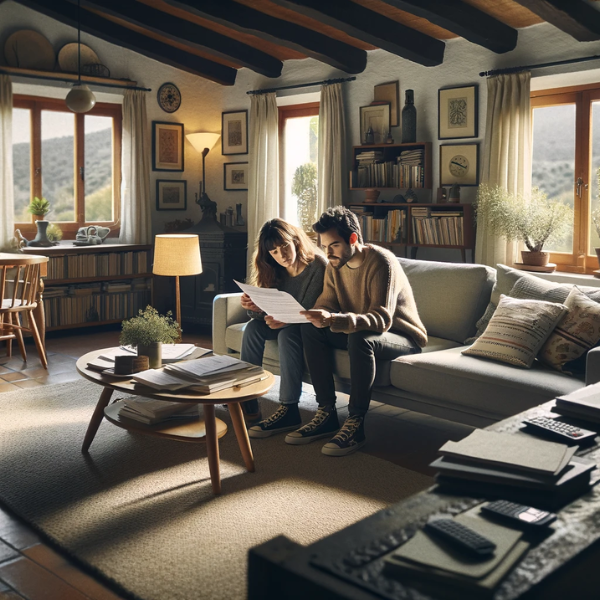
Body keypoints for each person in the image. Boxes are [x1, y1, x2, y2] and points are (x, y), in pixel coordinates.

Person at [290, 206, 427, 457]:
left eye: (334, 245)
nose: (327, 252)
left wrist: (334, 318)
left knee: (360, 337)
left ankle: (356, 422)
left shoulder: (381, 262)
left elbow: (382, 319)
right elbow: (327, 302)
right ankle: (326, 413)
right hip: (359, 329)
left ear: (353, 239)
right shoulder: (335, 263)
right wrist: (319, 315)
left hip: (401, 336)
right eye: (324, 246)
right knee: (310, 330)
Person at [240, 218, 327, 437]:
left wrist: (284, 320)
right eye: (274, 252)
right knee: (251, 329)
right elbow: (261, 316)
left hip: (308, 327)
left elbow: (310, 309)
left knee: (288, 333)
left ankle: (289, 408)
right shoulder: (272, 269)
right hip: (281, 322)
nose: (282, 256)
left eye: (285, 246)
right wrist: (254, 307)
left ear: (296, 241)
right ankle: (248, 400)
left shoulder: (317, 266)